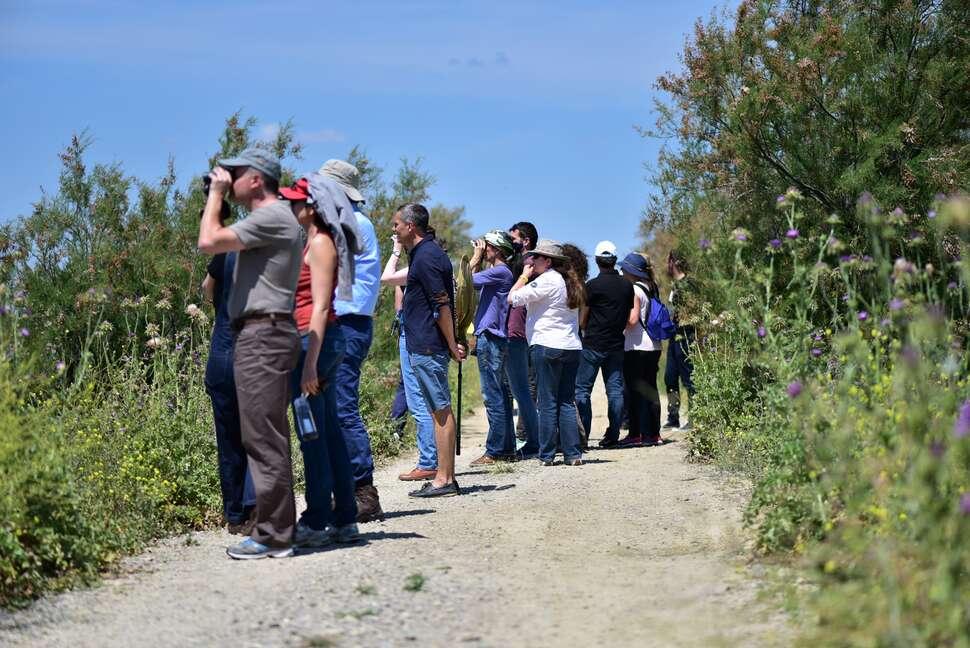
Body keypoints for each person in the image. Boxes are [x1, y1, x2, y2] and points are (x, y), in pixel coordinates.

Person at [198, 147, 302, 560]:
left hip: (264, 334)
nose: (229, 178)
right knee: (261, 434)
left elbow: (208, 240)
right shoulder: (268, 220)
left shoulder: (274, 216)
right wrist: (220, 197)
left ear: (256, 179)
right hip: (259, 334)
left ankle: (274, 534)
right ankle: (276, 528)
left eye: (235, 173)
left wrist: (216, 195)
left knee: (263, 437)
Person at [278, 177, 359, 547]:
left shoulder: (322, 243)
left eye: (295, 202)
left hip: (316, 344)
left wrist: (310, 363)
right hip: (315, 343)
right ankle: (344, 518)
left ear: (311, 207)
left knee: (312, 437)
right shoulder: (311, 240)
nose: (291, 207)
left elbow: (323, 306)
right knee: (327, 436)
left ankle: (315, 521)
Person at [320, 160, 385, 523]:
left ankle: (363, 491)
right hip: (340, 323)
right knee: (332, 410)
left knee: (342, 409)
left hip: (345, 324)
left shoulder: (352, 225)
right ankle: (344, 490)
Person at [392, 204, 466, 497]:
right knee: (438, 410)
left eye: (397, 224)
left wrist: (451, 344)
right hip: (422, 344)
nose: (394, 229)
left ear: (411, 226)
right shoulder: (425, 254)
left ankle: (445, 480)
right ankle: (442, 475)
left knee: (440, 411)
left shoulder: (427, 257)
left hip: (427, 345)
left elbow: (442, 303)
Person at [200, 203, 256, 536]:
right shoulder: (270, 254)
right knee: (258, 436)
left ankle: (234, 515)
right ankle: (255, 510)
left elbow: (208, 287)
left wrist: (222, 312)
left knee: (229, 439)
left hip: (221, 350)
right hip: (252, 354)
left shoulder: (226, 249)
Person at [508, 240, 585, 466]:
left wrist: (523, 276)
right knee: (566, 400)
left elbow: (512, 298)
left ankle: (547, 454)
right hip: (571, 346)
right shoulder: (570, 282)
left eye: (536, 258)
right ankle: (573, 454)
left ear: (548, 261)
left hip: (547, 345)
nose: (531, 261)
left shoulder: (547, 280)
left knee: (548, 401)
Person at [382, 237, 438, 482]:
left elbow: (387, 278)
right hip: (426, 337)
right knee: (430, 401)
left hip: (415, 336)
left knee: (418, 401)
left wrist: (395, 252)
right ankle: (433, 460)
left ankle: (428, 462)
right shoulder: (436, 265)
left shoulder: (418, 266)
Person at [576, 241, 633, 449]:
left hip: (592, 344)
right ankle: (613, 435)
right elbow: (627, 314)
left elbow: (584, 317)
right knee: (615, 391)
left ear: (598, 261)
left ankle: (583, 436)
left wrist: (582, 329)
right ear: (614, 260)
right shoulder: (627, 286)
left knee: (582, 390)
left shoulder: (592, 286)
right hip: (616, 344)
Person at [467, 230, 516, 465]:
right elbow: (473, 287)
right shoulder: (500, 272)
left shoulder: (500, 271)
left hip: (491, 337)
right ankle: (506, 447)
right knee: (501, 394)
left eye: (486, 246)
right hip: (495, 338)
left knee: (492, 395)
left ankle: (494, 450)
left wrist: (474, 258)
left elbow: (466, 280)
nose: (483, 249)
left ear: (496, 249)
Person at [619, 253, 664, 446]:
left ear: (630, 271)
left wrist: (617, 324)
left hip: (637, 346)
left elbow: (632, 320)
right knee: (651, 390)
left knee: (636, 392)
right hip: (654, 345)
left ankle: (638, 434)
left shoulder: (635, 290)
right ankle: (654, 434)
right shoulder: (651, 287)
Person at [506, 222, 539, 456]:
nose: (511, 242)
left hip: (522, 331)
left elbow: (515, 296)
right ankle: (521, 434)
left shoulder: (530, 265)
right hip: (517, 330)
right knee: (520, 385)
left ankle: (526, 434)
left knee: (526, 386)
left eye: (514, 238)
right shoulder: (519, 263)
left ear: (525, 240)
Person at [664, 249, 701, 430]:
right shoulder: (674, 285)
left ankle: (695, 418)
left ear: (674, 262)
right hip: (673, 336)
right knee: (670, 377)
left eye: (668, 260)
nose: (666, 264)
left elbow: (694, 309)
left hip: (687, 335)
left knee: (689, 379)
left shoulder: (690, 284)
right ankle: (673, 416)